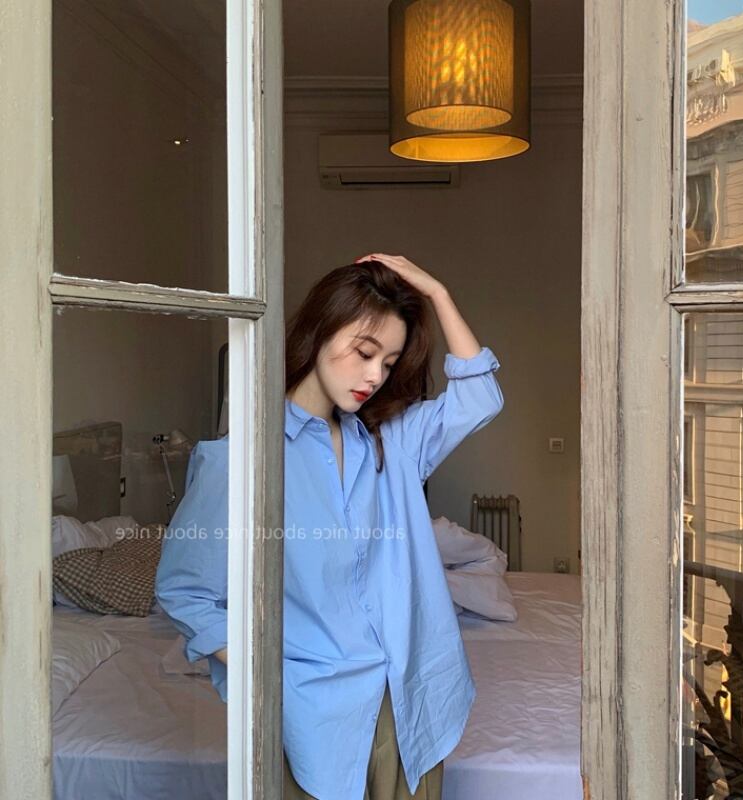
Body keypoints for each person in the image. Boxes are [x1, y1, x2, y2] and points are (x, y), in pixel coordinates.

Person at [155, 254, 504, 800]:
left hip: (415, 704)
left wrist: (436, 293)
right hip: (317, 718)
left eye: (388, 362)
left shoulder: (394, 442)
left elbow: (479, 398)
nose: (375, 375)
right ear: (320, 331)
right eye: (364, 352)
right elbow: (185, 590)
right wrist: (271, 678)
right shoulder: (242, 459)